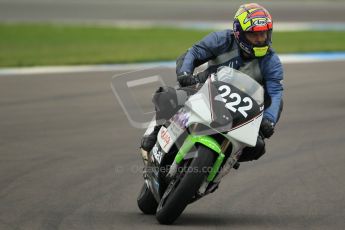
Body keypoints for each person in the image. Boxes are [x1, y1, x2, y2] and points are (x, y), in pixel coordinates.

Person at [140, 3, 283, 163]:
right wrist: (185, 74)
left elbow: (275, 92)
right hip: (206, 89)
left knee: (257, 147)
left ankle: (221, 165)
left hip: (240, 109)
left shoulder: (271, 60)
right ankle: (156, 132)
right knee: (167, 96)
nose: (259, 39)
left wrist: (269, 120)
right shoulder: (222, 39)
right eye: (253, 35)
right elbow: (193, 52)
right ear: (240, 34)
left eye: (263, 34)